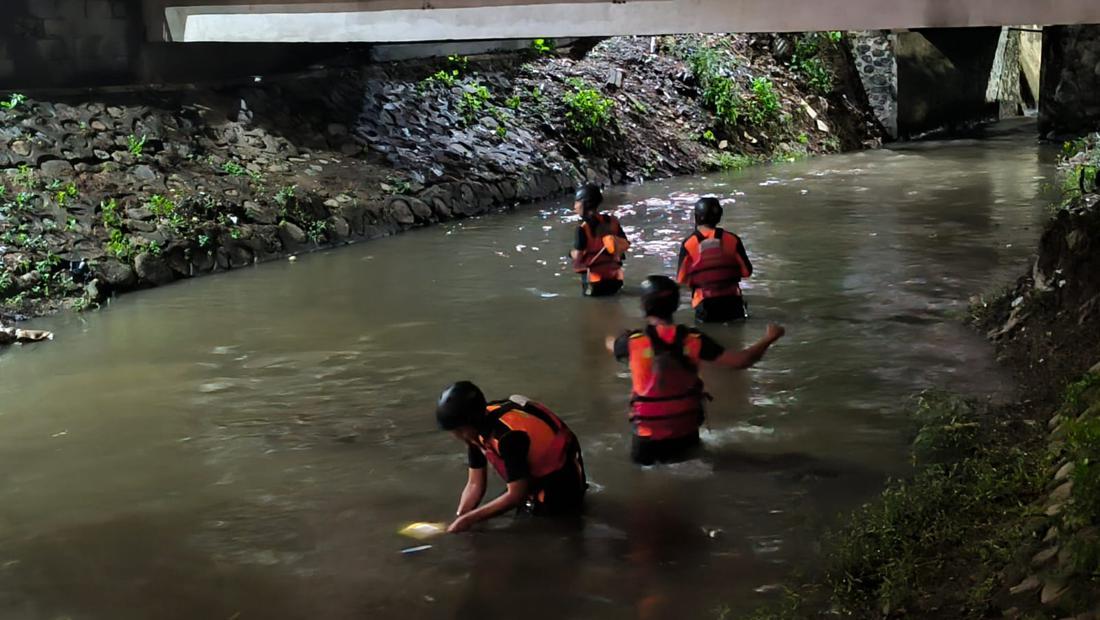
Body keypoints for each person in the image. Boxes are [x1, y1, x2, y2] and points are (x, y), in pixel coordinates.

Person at [607, 276, 784, 465]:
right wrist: (769, 338)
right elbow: (742, 361)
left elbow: (611, 345)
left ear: (644, 306)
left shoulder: (633, 342)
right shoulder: (694, 339)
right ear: (675, 304)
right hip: (685, 432)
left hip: (647, 440)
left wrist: (617, 338)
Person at [436, 381, 587, 532]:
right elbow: (475, 484)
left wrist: (470, 519)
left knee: (543, 529)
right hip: (533, 477)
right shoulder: (476, 429)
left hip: (561, 478)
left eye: (458, 431)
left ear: (471, 422)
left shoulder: (509, 437)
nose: (455, 436)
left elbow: (516, 495)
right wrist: (462, 516)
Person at [676, 197, 753, 322]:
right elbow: (746, 272)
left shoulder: (689, 243)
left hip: (705, 304)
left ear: (696, 217)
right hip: (733, 302)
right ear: (719, 216)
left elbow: (681, 279)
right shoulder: (732, 239)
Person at [570, 184, 630, 297]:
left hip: (595, 283)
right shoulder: (612, 221)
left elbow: (578, 264)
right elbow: (625, 245)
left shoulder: (582, 229)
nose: (575, 206)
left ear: (584, 204)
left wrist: (572, 255)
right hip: (616, 280)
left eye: (576, 202)